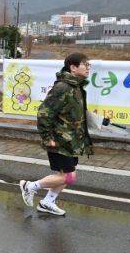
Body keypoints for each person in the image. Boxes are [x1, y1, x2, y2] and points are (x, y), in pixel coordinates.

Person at [19, 52, 93, 216]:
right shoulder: (63, 87)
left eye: (89, 65)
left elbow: (76, 112)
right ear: (73, 68)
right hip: (59, 140)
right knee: (67, 176)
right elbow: (44, 112)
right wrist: (47, 138)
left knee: (69, 175)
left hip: (71, 140)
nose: (88, 68)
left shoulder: (76, 86)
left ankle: (47, 202)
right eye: (85, 65)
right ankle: (29, 186)